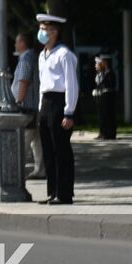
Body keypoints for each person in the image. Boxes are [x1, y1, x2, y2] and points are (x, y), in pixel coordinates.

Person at [35, 13, 78, 205]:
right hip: (46, 104)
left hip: (59, 103)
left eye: (44, 29)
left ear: (55, 32)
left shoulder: (64, 54)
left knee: (61, 150)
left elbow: (71, 84)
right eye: (40, 29)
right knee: (48, 151)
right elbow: (42, 84)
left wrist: (69, 111)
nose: (41, 33)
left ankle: (64, 193)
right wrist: (40, 108)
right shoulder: (42, 55)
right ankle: (52, 191)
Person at [12, 34, 44, 178]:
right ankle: (41, 169)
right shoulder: (35, 56)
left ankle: (16, 170)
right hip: (36, 104)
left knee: (23, 139)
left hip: (27, 106)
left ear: (23, 43)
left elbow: (23, 81)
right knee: (37, 140)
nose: (14, 45)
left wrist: (19, 101)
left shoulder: (25, 58)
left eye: (16, 42)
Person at [93, 54, 118, 140]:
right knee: (102, 115)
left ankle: (110, 134)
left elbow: (110, 85)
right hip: (102, 97)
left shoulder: (110, 73)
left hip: (108, 97)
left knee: (109, 115)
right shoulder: (101, 74)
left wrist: (102, 89)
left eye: (102, 61)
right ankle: (103, 132)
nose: (100, 63)